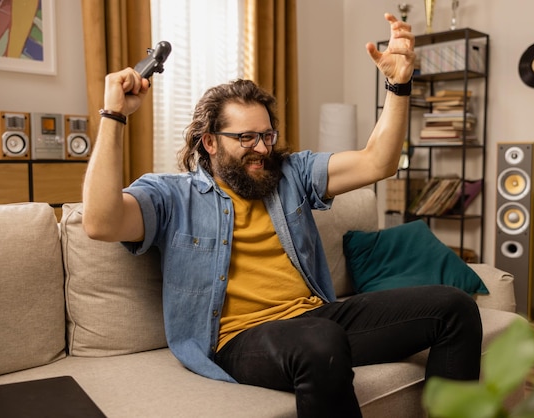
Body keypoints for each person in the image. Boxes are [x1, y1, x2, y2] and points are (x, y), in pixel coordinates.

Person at [83, 13, 482, 418]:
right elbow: (101, 223)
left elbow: (377, 162)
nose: (261, 148)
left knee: (454, 308)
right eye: (245, 138)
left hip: (316, 317)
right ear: (210, 143)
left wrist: (398, 86)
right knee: (320, 340)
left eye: (267, 135)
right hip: (238, 340)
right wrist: (114, 116)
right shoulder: (171, 195)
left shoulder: (290, 173)